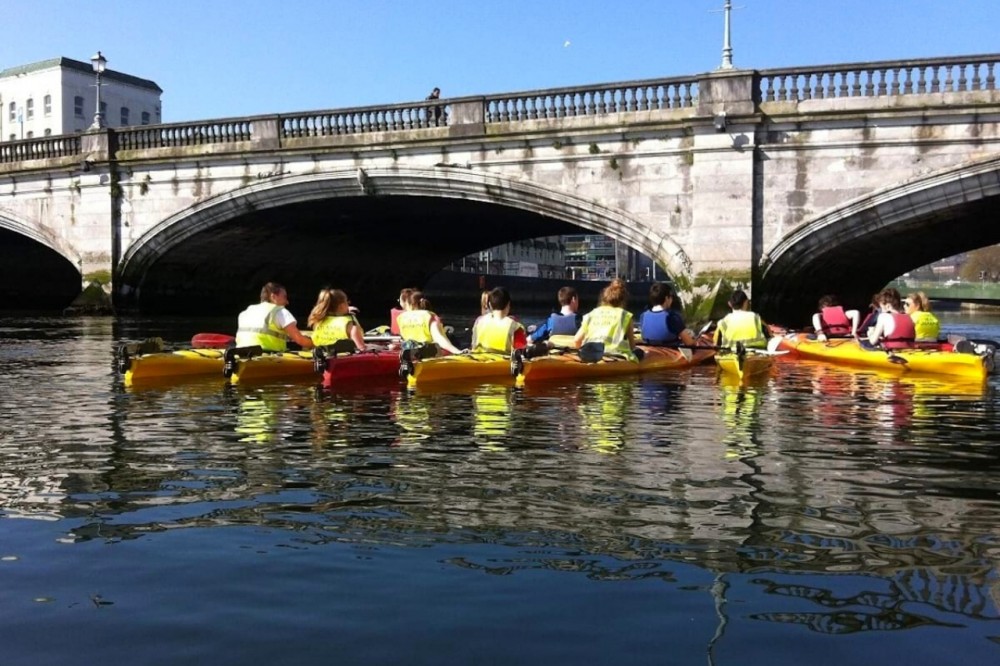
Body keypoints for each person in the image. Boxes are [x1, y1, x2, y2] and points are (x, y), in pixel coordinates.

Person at [235, 282, 314, 352]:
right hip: (267, 358)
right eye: (284, 297)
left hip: (240, 356)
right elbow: (300, 340)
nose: (287, 302)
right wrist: (316, 344)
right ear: (273, 297)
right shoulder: (280, 312)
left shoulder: (246, 312)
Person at [573, 278, 638, 360]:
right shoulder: (625, 315)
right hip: (615, 356)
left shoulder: (591, 314)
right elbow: (632, 347)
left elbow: (576, 341)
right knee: (640, 354)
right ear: (623, 300)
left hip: (590, 355)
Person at [396, 290, 463, 355]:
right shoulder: (429, 316)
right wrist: (457, 351)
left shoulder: (400, 318)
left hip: (410, 351)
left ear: (404, 303)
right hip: (429, 353)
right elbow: (438, 338)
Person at [471, 286, 526, 354]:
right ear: (508, 305)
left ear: (490, 305)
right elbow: (521, 353)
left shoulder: (479, 322)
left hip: (478, 360)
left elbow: (473, 347)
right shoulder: (515, 326)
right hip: (503, 362)